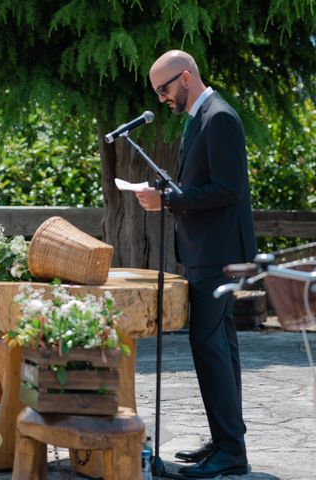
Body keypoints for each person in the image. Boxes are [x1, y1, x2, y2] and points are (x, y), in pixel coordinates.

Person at [135, 50, 256, 478]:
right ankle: (227, 440)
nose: (163, 98)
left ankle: (230, 451)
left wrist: (167, 199)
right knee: (221, 347)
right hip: (210, 252)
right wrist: (167, 190)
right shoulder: (197, 119)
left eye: (164, 88)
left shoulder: (219, 117)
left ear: (185, 77)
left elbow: (228, 190)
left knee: (208, 347)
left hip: (220, 256)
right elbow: (203, 185)